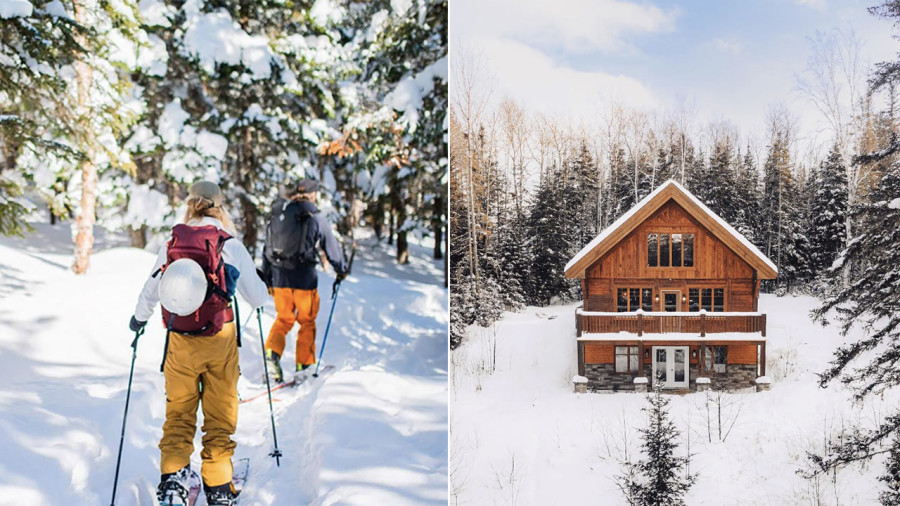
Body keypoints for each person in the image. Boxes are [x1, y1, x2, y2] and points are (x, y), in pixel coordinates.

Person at [129, 181, 268, 506]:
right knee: (219, 418)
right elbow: (258, 299)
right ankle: (219, 489)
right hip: (219, 340)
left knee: (178, 414)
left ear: (190, 205)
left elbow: (152, 287)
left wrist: (139, 319)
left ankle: (174, 486)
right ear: (219, 207)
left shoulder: (174, 242)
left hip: (179, 339)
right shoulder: (229, 244)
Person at [260, 179, 348, 383]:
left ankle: (271, 357)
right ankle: (304, 365)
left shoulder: (279, 214)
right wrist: (341, 269)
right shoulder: (314, 216)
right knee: (307, 321)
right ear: (313, 194)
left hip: (279, 278)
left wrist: (267, 277)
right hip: (304, 279)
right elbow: (330, 246)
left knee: (283, 319)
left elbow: (267, 248)